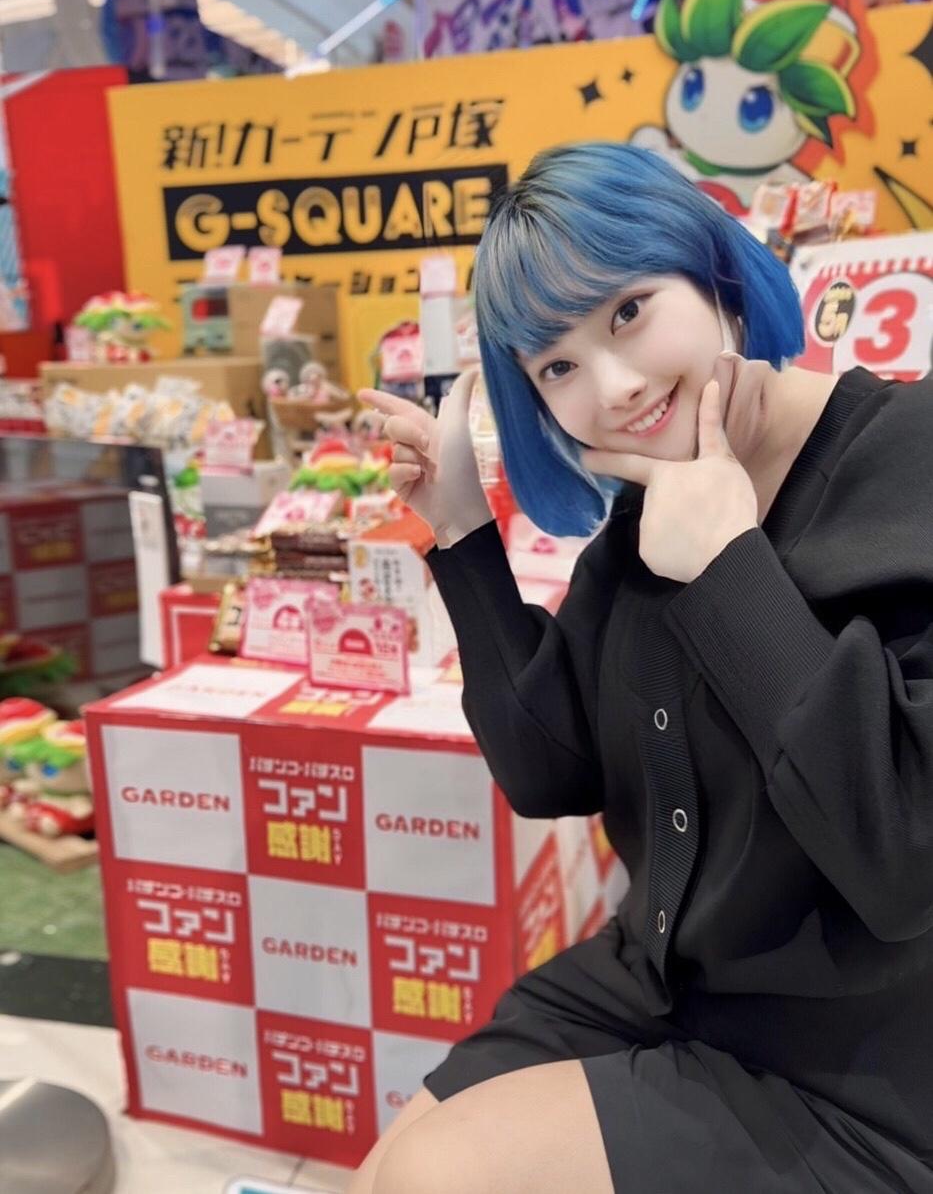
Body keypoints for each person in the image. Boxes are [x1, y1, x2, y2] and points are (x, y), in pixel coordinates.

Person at [350, 142, 933, 1194]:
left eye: (627, 312)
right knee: (384, 1167)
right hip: (665, 979)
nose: (613, 387)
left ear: (714, 272)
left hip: (862, 1063)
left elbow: (904, 860)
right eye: (557, 366)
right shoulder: (644, 516)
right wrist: (462, 530)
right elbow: (550, 769)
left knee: (438, 1174)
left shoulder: (910, 462)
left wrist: (729, 564)